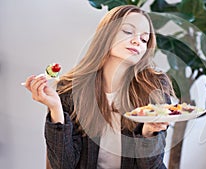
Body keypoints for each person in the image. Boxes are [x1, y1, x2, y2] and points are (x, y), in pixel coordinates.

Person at [24, 5, 175, 169]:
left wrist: (148, 133)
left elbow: (152, 166)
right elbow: (63, 165)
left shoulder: (154, 87)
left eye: (144, 39)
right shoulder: (70, 89)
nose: (136, 41)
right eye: (127, 31)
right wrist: (56, 109)